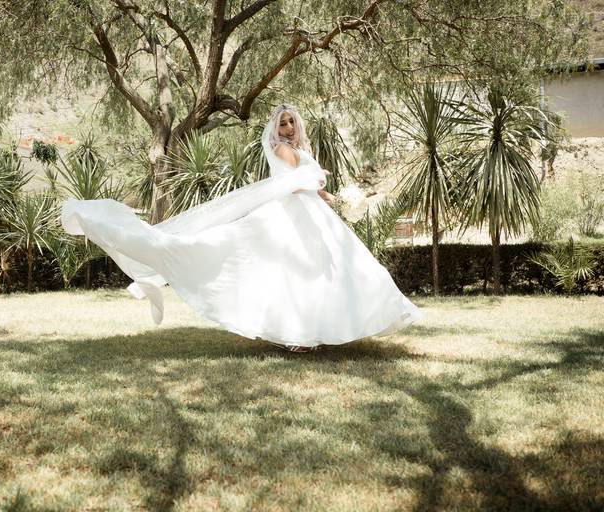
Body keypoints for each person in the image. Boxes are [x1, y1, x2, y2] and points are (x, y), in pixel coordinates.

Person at [62, 104, 421, 352]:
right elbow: (293, 184)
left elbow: (305, 184)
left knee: (317, 272)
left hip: (310, 214)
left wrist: (332, 197)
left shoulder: (296, 150)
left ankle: (308, 332)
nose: (288, 128)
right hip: (294, 215)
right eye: (282, 124)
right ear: (275, 130)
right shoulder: (284, 151)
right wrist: (314, 183)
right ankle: (300, 334)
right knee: (295, 270)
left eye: (291, 122)